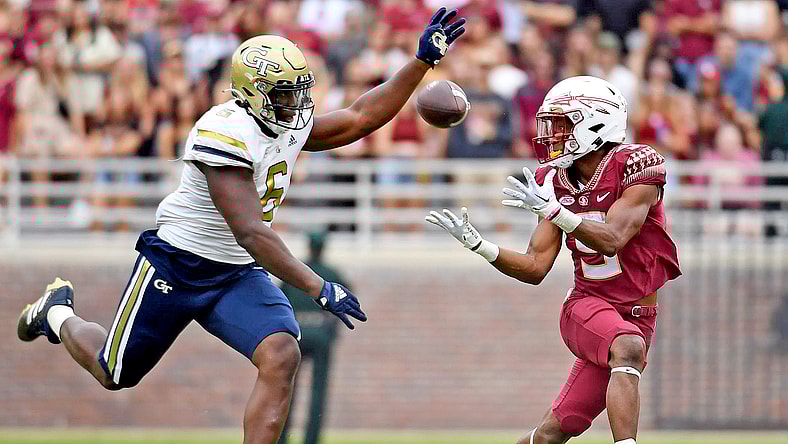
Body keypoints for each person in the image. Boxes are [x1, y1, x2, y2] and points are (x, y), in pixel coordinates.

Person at [17, 8, 465, 444]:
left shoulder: (283, 120)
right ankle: (57, 311)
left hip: (235, 270)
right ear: (252, 92)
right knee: (115, 373)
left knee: (281, 352)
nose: (296, 104)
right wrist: (318, 286)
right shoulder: (224, 130)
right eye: (285, 93)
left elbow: (359, 118)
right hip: (178, 265)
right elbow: (250, 230)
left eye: (298, 91)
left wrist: (420, 62)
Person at [426, 76, 681, 444]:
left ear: (597, 121)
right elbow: (534, 267)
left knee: (552, 433)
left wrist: (555, 211)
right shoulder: (552, 179)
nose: (552, 134)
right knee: (627, 347)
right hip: (587, 307)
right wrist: (481, 245)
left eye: (562, 124)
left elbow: (612, 240)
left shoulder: (636, 164)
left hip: (638, 316)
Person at [277, 232, 349, 444]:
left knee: (286, 388)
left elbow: (280, 302)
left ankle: (282, 437)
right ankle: (312, 439)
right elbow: (346, 304)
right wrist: (332, 333)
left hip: (296, 334)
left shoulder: (295, 272)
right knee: (318, 390)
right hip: (321, 334)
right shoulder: (332, 273)